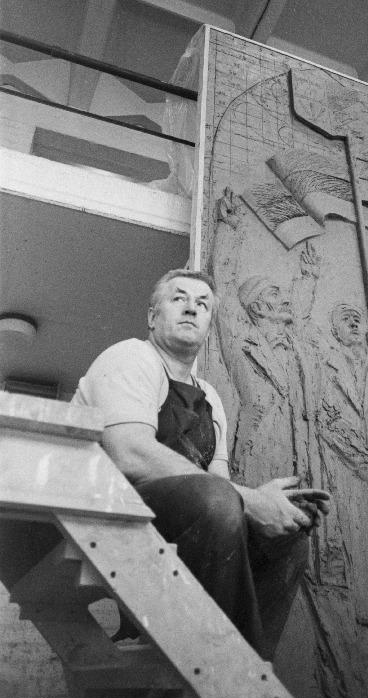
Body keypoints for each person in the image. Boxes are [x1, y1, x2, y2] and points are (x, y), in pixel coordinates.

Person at [72, 268, 330, 660]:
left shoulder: (210, 398)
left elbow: (220, 485)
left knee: (285, 539)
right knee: (218, 500)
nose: (192, 308)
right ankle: (219, 662)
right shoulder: (130, 357)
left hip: (177, 524)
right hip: (109, 520)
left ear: (209, 324)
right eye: (178, 299)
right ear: (152, 317)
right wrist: (246, 500)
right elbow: (129, 452)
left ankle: (249, 665)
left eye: (203, 304)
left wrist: (268, 505)